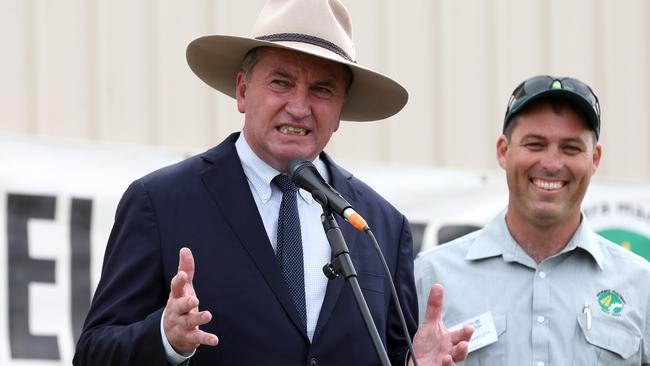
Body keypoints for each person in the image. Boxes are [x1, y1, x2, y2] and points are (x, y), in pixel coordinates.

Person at [73, 1, 472, 365]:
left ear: (340, 113)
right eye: (281, 82)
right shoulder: (160, 202)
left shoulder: (379, 224)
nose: (299, 107)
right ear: (243, 91)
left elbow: (390, 351)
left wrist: (413, 365)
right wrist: (165, 338)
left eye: (321, 89)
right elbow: (94, 353)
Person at [415, 75, 650, 365]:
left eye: (571, 148)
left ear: (595, 159)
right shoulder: (431, 276)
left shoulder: (641, 285)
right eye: (535, 144)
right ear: (504, 151)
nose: (552, 164)